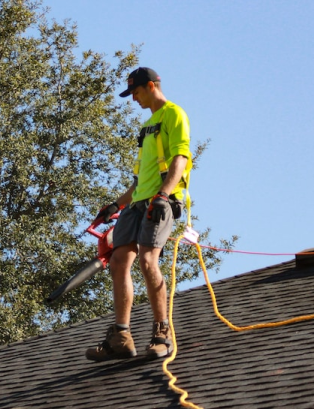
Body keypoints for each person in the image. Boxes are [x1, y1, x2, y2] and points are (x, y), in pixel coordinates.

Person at [85, 67, 191, 361]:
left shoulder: (173, 114)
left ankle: (162, 334)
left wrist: (164, 196)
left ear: (153, 85)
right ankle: (121, 336)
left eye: (136, 91)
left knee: (147, 260)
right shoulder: (147, 127)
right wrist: (114, 206)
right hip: (137, 204)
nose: (133, 98)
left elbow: (180, 158)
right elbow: (138, 181)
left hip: (160, 201)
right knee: (119, 262)